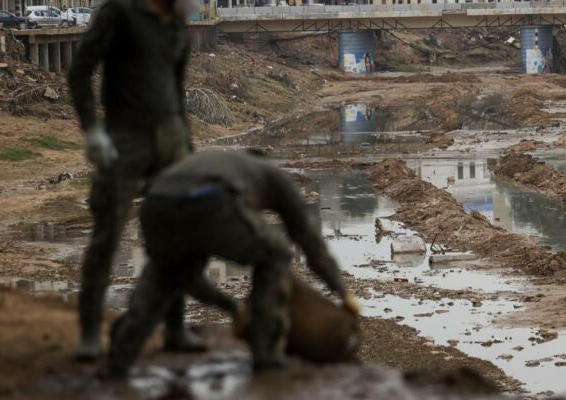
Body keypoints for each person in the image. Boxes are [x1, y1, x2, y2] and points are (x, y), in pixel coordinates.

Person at [107, 151, 360, 377]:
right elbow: (308, 239)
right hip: (211, 200)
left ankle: (120, 357)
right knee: (277, 254)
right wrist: (341, 290)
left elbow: (191, 280)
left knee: (164, 273)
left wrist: (233, 307)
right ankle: (266, 356)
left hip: (155, 203)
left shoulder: (222, 162)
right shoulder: (274, 176)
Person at [67, 0, 200, 360]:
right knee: (108, 231)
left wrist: (186, 143)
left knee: (174, 234)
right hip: (125, 136)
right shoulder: (119, 13)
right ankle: (91, 334)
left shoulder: (177, 28)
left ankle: (175, 328)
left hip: (170, 137)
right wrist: (92, 129)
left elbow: (177, 89)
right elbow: (80, 71)